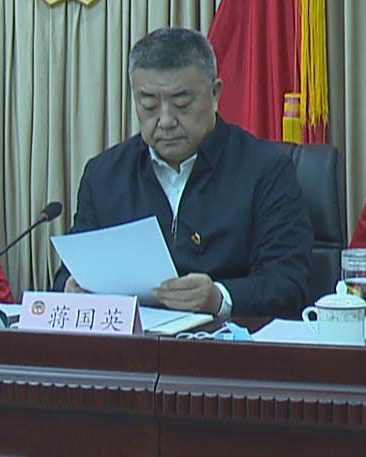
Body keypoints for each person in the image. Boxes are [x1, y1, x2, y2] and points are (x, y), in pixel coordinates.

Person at [57, 27, 314, 318]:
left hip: (226, 340)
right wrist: (72, 290)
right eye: (149, 105)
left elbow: (288, 284)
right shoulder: (104, 175)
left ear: (215, 94)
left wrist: (219, 298)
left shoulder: (266, 170)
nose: (166, 120)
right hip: (131, 341)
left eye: (181, 104)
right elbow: (68, 274)